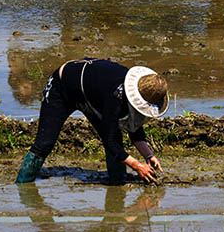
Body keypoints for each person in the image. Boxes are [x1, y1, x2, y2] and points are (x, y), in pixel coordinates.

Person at [15, 58, 169, 185]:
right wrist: (136, 166)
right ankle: (22, 185)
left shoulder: (128, 96)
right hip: (62, 88)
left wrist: (149, 156)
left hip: (91, 96)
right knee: (45, 143)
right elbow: (109, 141)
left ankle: (117, 184)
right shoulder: (116, 96)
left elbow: (134, 127)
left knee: (115, 137)